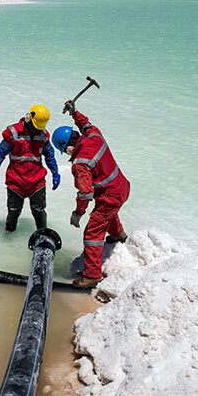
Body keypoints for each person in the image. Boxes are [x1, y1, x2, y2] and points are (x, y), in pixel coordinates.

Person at [52, 101, 130, 288]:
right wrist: (74, 112)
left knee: (92, 233)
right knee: (106, 212)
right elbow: (86, 124)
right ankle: (118, 236)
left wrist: (78, 213)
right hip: (123, 187)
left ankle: (92, 275)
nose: (67, 153)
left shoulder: (80, 162)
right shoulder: (94, 136)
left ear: (66, 146)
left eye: (64, 150)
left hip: (110, 196)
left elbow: (86, 193)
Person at [0, 104, 61, 231]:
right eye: (34, 126)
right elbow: (0, 153)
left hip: (37, 181)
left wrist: (55, 172)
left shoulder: (43, 134)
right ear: (28, 117)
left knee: (39, 211)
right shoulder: (13, 133)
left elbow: (49, 155)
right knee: (13, 212)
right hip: (16, 181)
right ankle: (9, 241)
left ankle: (43, 236)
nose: (35, 129)